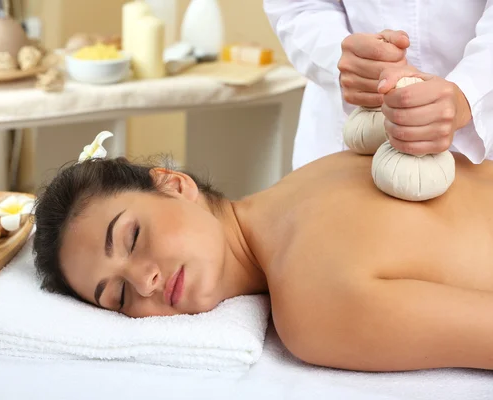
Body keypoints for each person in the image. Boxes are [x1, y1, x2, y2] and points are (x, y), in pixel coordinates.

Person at [32, 132, 493, 373]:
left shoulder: (313, 310)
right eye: (117, 297)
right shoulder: (313, 174)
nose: (143, 282)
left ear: (173, 184)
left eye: (131, 238)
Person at [263, 1, 493, 170]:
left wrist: (469, 92)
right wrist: (336, 56)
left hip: (482, 138)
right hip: (339, 136)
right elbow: (297, 7)